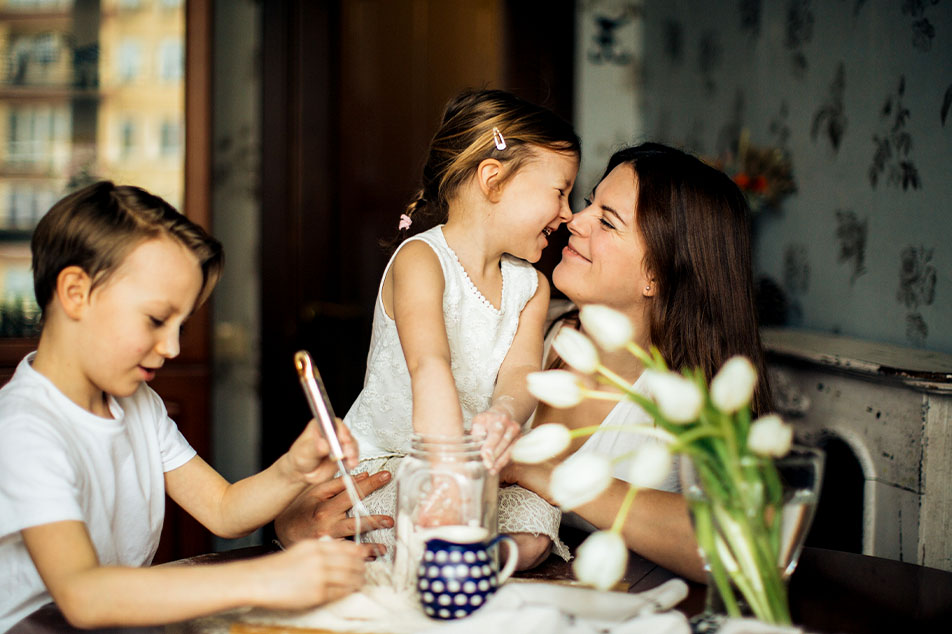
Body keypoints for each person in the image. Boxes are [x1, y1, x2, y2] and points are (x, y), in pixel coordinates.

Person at [0, 182, 371, 632]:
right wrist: (263, 577)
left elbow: (222, 508)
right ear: (76, 293)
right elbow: (83, 594)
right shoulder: (25, 427)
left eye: (182, 324)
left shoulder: (139, 404)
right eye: (157, 319)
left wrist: (293, 468)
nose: (173, 346)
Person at [280, 89, 581, 570]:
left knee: (535, 524)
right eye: (560, 191)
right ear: (493, 179)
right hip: (400, 460)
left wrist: (506, 413)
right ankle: (444, 552)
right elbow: (429, 365)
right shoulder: (421, 259)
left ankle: (466, 558)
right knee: (402, 513)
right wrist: (446, 476)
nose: (567, 213)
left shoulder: (531, 286)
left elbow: (523, 371)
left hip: (481, 472)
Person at [502, 142, 773, 582]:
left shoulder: (693, 399)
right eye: (591, 203)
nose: (575, 218)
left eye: (607, 220)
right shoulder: (526, 328)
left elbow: (745, 547)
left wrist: (555, 476)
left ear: (657, 276)